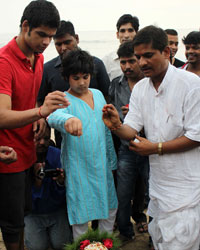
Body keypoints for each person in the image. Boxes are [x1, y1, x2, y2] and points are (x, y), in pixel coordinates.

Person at [102, 25, 200, 250]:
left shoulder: (191, 85)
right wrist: (116, 126)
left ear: (166, 52)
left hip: (188, 188)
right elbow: (132, 130)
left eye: (148, 55)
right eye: (138, 57)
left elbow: (196, 136)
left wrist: (156, 147)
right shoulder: (141, 89)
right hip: (158, 188)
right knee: (160, 240)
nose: (142, 62)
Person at [0, 1, 70, 249]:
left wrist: (39, 117)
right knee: (11, 224)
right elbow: (2, 116)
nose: (46, 43)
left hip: (29, 149)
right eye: (42, 35)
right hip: (7, 155)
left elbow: (26, 101)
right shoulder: (4, 62)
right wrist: (41, 111)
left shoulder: (38, 57)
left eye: (51, 37)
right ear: (25, 26)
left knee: (25, 213)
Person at [47, 49, 118, 240]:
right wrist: (68, 119)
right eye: (75, 77)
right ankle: (83, 245)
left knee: (110, 207)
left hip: (102, 164)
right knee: (79, 212)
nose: (81, 82)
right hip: (78, 167)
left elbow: (106, 131)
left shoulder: (98, 95)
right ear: (66, 77)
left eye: (85, 77)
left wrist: (112, 162)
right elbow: (53, 116)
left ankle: (105, 244)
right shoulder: (63, 99)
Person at [37, 20, 110, 148]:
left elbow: (108, 98)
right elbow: (41, 102)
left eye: (67, 42)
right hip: (65, 140)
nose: (63, 48)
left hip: (97, 139)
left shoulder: (96, 64)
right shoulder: (48, 69)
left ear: (76, 38)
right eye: (58, 44)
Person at [109, 41, 149, 242]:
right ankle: (125, 232)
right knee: (122, 194)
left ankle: (155, 237)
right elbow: (112, 111)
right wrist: (121, 116)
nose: (127, 67)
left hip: (150, 148)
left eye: (131, 61)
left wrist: (139, 115)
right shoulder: (116, 83)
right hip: (126, 148)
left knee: (152, 195)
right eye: (123, 62)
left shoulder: (150, 82)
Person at [24, 127, 72, 250]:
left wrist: (61, 183)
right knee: (37, 247)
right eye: (38, 138)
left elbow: (64, 196)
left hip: (56, 210)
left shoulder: (57, 154)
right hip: (32, 214)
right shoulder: (23, 157)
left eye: (46, 138)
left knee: (62, 245)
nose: (42, 142)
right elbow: (24, 200)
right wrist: (37, 183)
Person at [102, 14, 139, 81]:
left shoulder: (143, 58)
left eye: (130, 30)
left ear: (137, 33)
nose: (126, 35)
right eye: (122, 31)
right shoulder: (107, 61)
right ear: (117, 34)